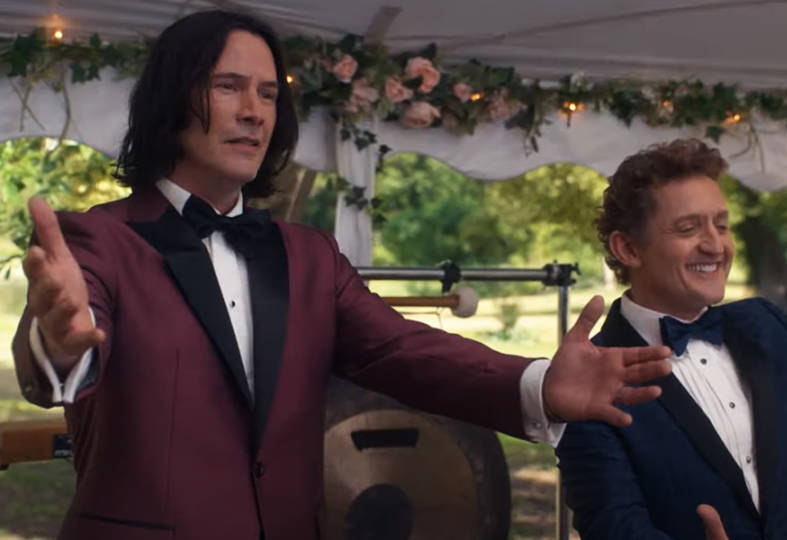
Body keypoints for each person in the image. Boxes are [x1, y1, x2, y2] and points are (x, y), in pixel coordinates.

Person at [10, 10, 672, 540]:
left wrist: (538, 383)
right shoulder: (97, 238)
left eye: (268, 94)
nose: (254, 111)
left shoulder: (310, 257)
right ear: (171, 98)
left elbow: (408, 351)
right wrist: (56, 340)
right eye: (228, 86)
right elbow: (58, 348)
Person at [555, 139, 787, 540]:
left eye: (721, 225)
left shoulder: (767, 329)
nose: (715, 245)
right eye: (688, 228)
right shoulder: (589, 381)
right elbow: (612, 526)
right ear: (628, 248)